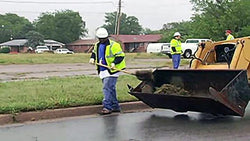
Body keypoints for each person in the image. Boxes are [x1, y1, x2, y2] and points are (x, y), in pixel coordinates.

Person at [89, 27, 126, 115]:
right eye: (100, 39)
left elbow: (120, 56)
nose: (102, 40)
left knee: (107, 88)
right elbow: (94, 53)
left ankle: (107, 107)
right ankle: (115, 106)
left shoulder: (114, 45)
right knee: (111, 89)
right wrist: (92, 58)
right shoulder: (97, 45)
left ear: (107, 37)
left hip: (113, 70)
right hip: (103, 69)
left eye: (103, 39)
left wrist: (114, 63)